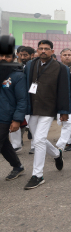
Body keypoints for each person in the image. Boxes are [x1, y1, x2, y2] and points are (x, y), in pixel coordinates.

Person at [23, 40, 68, 190]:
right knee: (37, 139)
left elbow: (63, 90)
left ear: (52, 51)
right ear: (37, 50)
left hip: (49, 108)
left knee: (39, 140)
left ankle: (38, 175)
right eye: (41, 48)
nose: (43, 51)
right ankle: (56, 154)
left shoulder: (60, 68)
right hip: (32, 107)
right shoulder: (30, 64)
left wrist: (64, 111)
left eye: (46, 49)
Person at [0, 51, 26, 181]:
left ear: (13, 58)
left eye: (7, 56)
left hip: (5, 116)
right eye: (1, 55)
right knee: (4, 144)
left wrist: (17, 119)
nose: (3, 58)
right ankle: (17, 166)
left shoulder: (18, 76)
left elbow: (22, 99)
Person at [57, 48, 71, 152]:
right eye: (65, 54)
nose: (67, 56)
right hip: (60, 100)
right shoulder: (56, 68)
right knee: (64, 122)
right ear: (61, 56)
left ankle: (60, 146)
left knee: (67, 122)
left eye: (69, 55)